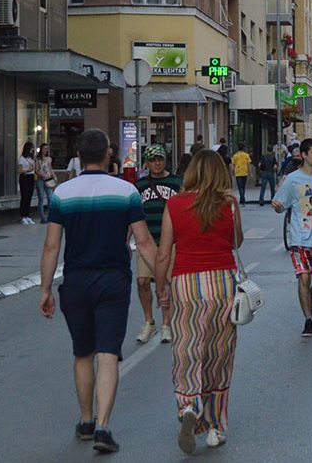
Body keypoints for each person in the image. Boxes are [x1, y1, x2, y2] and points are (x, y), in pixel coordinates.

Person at [40, 129, 157, 454]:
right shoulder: (126, 191)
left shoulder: (63, 193)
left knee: (82, 353)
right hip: (112, 280)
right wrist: (165, 274)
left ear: (78, 154)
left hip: (76, 281)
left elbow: (52, 246)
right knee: (108, 353)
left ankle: (86, 420)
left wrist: (45, 289)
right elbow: (143, 241)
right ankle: (105, 426)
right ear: (108, 154)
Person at [156, 150, 242, 452]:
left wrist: (161, 289)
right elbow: (236, 243)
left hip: (186, 284)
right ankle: (215, 428)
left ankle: (188, 406)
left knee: (188, 348)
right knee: (219, 354)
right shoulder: (229, 203)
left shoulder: (175, 204)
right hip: (222, 284)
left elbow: (165, 252)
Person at [273, 138, 312, 336]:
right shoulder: (292, 179)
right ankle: (308, 319)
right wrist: (277, 206)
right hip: (299, 238)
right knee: (304, 277)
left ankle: (310, 302)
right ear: (303, 155)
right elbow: (279, 203)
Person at [134, 146, 181, 345]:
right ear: (146, 162)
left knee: (166, 283)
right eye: (153, 160)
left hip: (169, 242)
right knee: (143, 281)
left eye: (160, 159)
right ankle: (148, 321)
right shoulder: (140, 185)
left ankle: (166, 324)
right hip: (146, 240)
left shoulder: (176, 182)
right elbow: (133, 214)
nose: (157, 163)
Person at [17, 141, 38, 225]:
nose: (32, 150)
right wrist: (28, 170)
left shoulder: (31, 158)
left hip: (31, 177)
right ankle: (23, 216)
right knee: (24, 196)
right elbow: (20, 170)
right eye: (31, 148)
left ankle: (27, 215)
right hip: (24, 177)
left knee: (29, 196)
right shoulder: (22, 158)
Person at [35, 144, 55, 223]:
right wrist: (42, 175)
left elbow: (50, 169)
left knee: (50, 197)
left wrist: (54, 176)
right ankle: (42, 217)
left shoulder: (49, 159)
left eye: (47, 148)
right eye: (44, 148)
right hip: (40, 179)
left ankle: (50, 216)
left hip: (48, 179)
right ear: (41, 149)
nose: (46, 150)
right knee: (41, 198)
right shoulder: (38, 159)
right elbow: (36, 170)